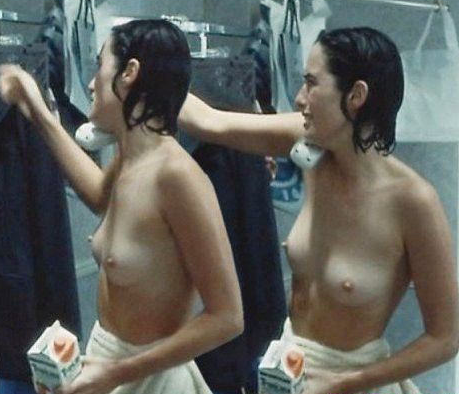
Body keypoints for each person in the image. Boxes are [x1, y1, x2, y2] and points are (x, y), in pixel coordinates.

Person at [179, 27, 459, 394]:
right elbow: (209, 122)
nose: (298, 99)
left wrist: (348, 382)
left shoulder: (413, 202)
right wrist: (147, 64)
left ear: (356, 96)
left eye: (311, 84)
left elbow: (446, 338)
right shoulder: (309, 142)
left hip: (354, 381)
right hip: (290, 369)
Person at [0, 19, 243, 394]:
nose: (91, 84)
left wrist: (118, 373)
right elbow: (99, 194)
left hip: (150, 379)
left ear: (129, 73)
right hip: (108, 364)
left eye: (100, 66)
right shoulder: (130, 161)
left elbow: (228, 317)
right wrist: (39, 113)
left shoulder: (177, 177)